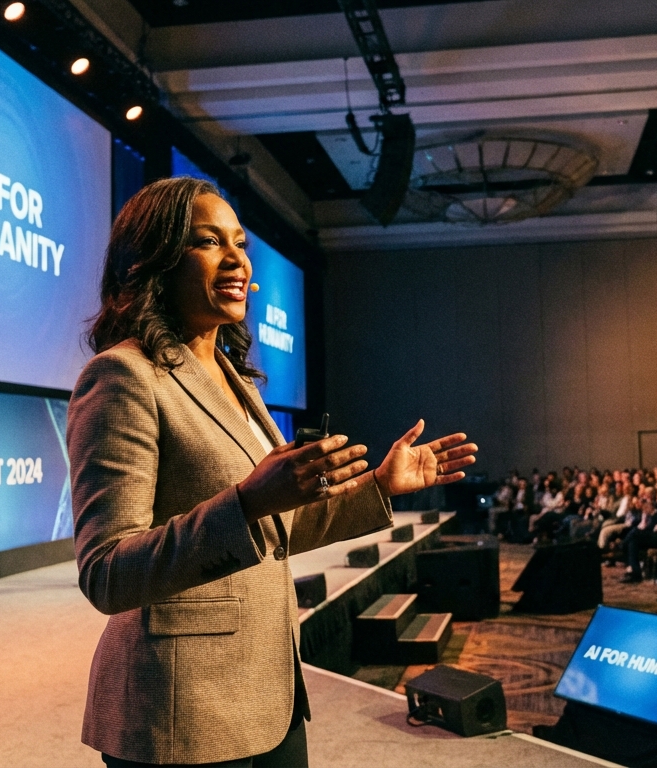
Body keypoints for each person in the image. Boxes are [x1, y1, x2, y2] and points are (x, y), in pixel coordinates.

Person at [67, 177, 478, 767]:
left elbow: (274, 531)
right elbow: (107, 572)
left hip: (269, 694)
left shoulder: (237, 378)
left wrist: (379, 486)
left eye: (240, 243)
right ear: (154, 260)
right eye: (209, 242)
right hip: (179, 711)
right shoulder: (123, 378)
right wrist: (247, 502)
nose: (237, 260)